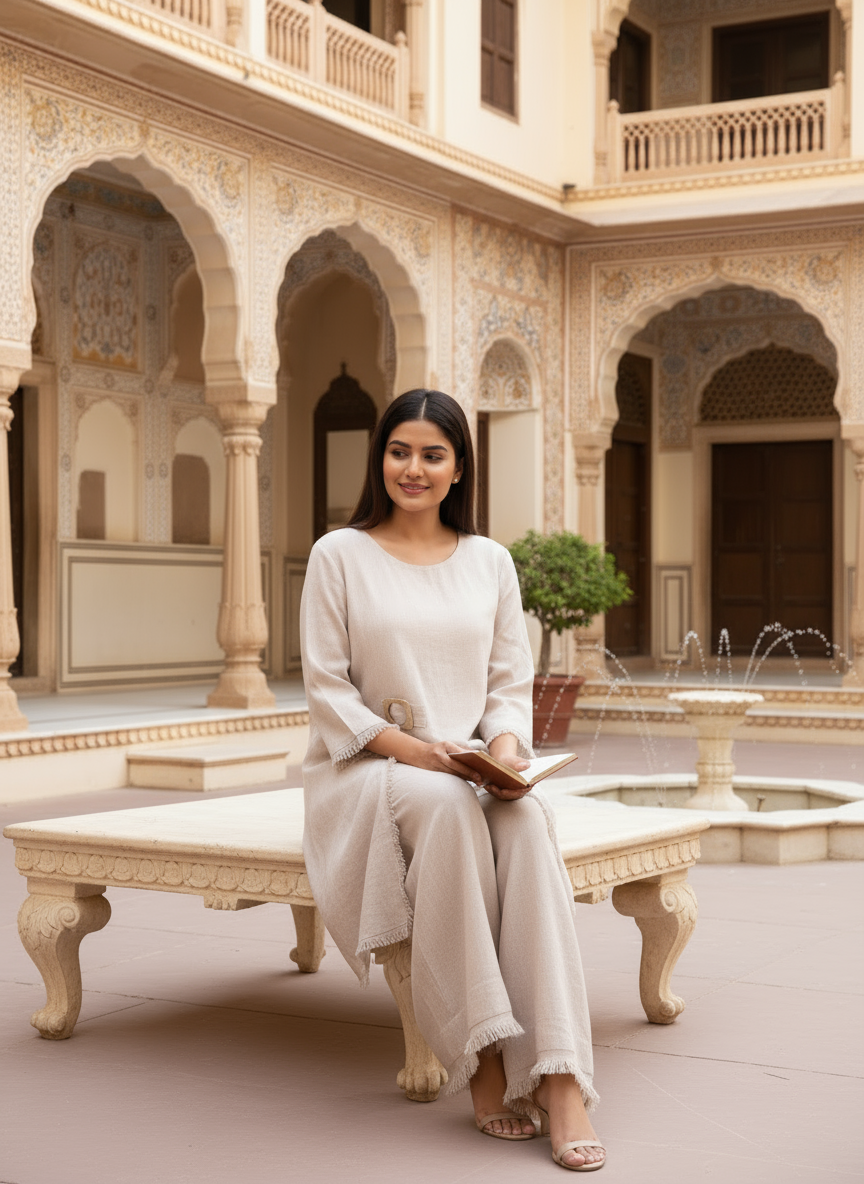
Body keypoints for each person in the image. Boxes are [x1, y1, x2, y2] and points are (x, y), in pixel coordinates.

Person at [300, 389, 605, 1172]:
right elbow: (329, 693)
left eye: (433, 454)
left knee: (528, 824)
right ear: (380, 459)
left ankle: (563, 1073)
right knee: (444, 805)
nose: (414, 467)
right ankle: (488, 1057)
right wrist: (419, 752)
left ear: (459, 466)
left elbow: (508, 683)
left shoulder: (490, 562)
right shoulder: (339, 553)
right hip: (368, 769)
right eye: (400, 451)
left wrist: (501, 752)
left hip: (467, 766)